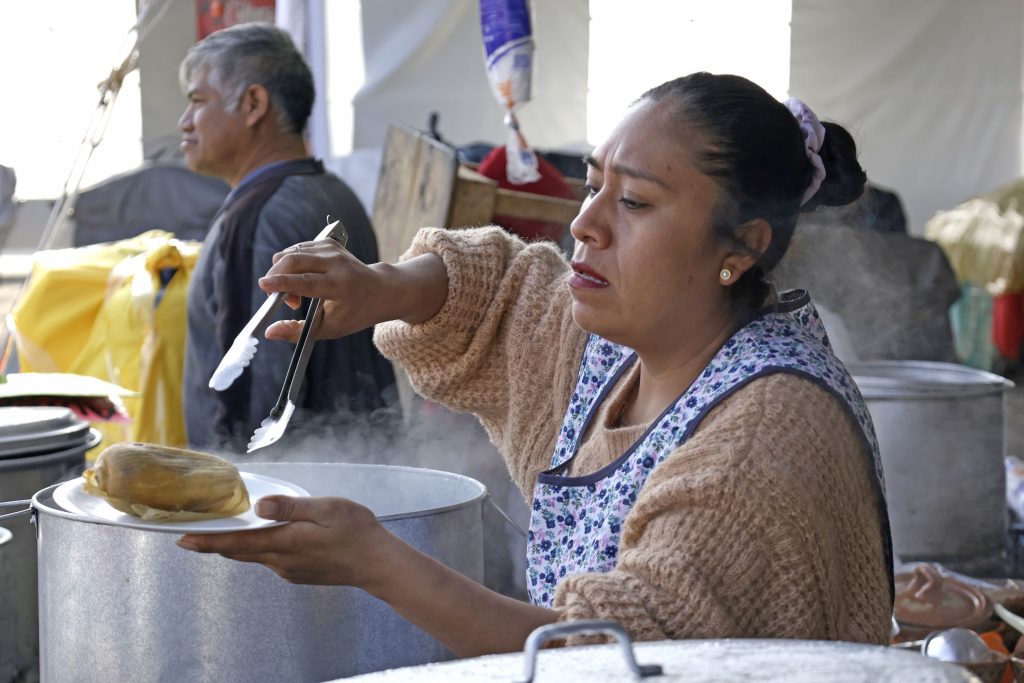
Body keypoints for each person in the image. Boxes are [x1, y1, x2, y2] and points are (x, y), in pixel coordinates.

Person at [179, 73, 894, 654]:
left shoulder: (767, 432)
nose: (585, 223)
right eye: (593, 186)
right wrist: (382, 287)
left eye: (637, 201)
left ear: (740, 247)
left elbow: (622, 655)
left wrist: (375, 560)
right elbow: (505, 289)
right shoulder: (621, 351)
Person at [176, 23, 396, 450]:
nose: (185, 122)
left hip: (283, 498)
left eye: (198, 101)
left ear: (254, 103)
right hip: (359, 474)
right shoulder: (334, 193)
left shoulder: (257, 216)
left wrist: (225, 498)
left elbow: (249, 397)